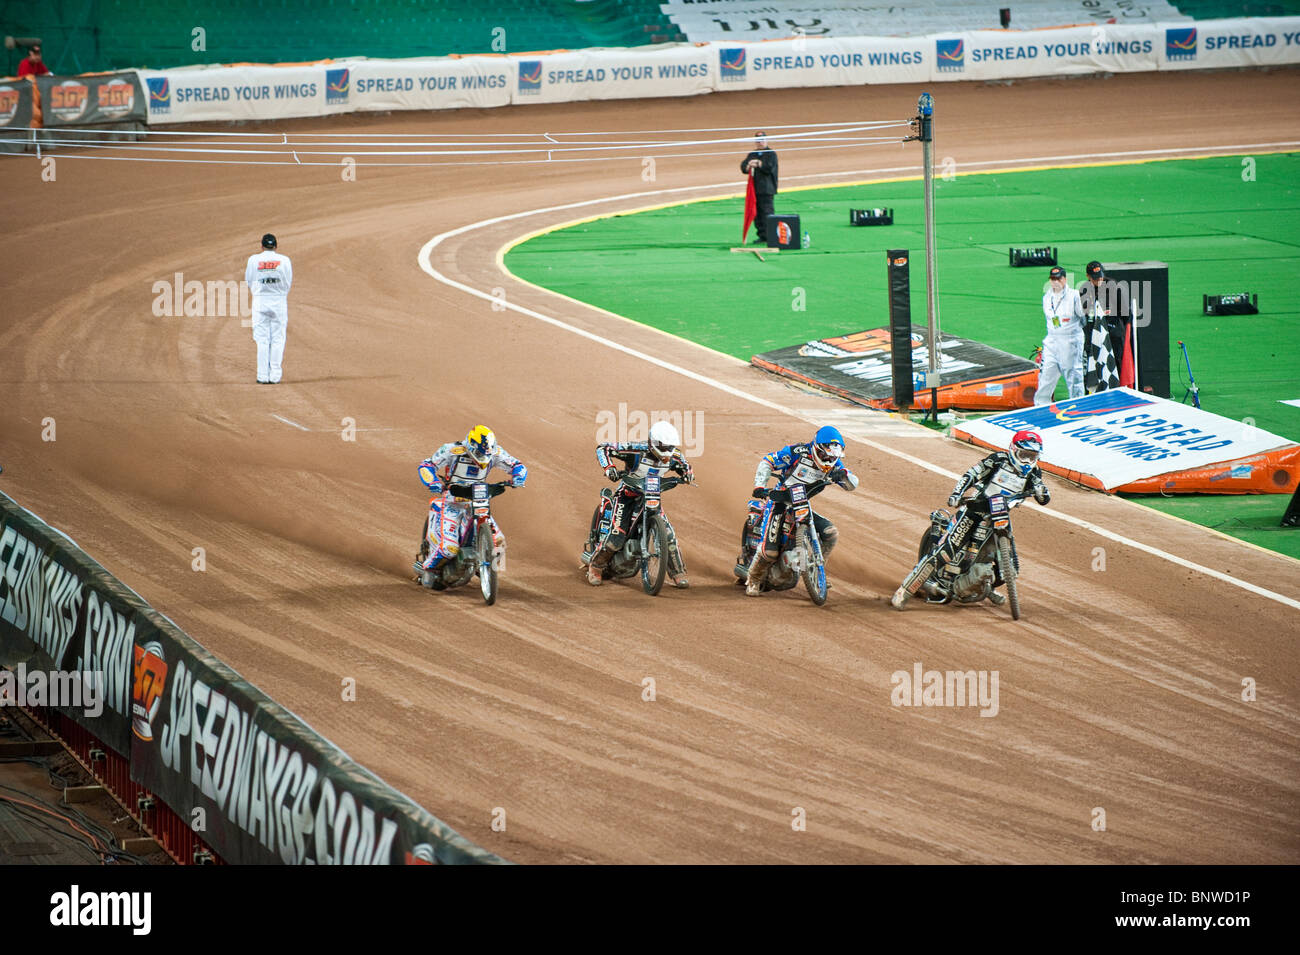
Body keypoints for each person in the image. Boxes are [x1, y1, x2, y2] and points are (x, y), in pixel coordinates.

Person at [890, 430, 1049, 609]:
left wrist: (1042, 491)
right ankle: (904, 591)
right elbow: (971, 474)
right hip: (974, 510)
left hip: (1000, 514)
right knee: (944, 553)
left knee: (1011, 569)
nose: (1027, 461)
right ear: (1013, 450)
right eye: (1024, 455)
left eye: (1032, 456)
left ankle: (982, 585)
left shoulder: (1034, 472)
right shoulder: (997, 460)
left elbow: (1043, 496)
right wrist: (957, 493)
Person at [740, 426, 858, 596]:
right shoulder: (796, 452)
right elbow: (768, 461)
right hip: (780, 502)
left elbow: (852, 485)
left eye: (833, 456)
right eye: (826, 455)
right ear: (817, 448)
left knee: (831, 533)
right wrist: (760, 485)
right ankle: (753, 579)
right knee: (770, 551)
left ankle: (817, 571)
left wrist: (844, 475)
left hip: (802, 504)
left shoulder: (834, 464)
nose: (829, 459)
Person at [584, 420, 693, 588]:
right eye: (664, 447)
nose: (667, 451)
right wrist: (609, 468)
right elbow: (603, 448)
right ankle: (596, 566)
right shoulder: (635, 450)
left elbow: (685, 466)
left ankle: (678, 573)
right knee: (617, 535)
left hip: (651, 497)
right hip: (627, 495)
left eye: (670, 447)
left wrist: (687, 474)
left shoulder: (674, 455)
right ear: (653, 443)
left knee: (668, 535)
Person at [415, 426, 527, 581]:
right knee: (448, 549)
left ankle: (490, 573)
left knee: (499, 542)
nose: (485, 456)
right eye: (481, 452)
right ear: (471, 445)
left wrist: (518, 477)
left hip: (478, 502)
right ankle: (426, 570)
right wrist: (432, 482)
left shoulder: (495, 452)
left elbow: (517, 465)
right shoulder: (451, 450)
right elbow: (427, 465)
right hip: (452, 503)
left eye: (488, 451)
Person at [244, 234, 292, 384]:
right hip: (279, 301)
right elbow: (288, 282)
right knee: (278, 339)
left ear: (262, 246)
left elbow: (249, 279)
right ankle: (275, 375)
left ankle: (262, 376)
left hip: (260, 302)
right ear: (276, 246)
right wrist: (279, 293)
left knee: (262, 340)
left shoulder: (253, 260)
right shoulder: (284, 260)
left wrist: (259, 292)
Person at [1034, 265, 1085, 406]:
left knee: (1073, 374)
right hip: (1052, 340)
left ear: (1064, 279)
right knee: (1046, 375)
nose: (1055, 282)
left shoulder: (1074, 295)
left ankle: (1078, 404)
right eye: (1052, 279)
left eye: (1058, 279)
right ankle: (1040, 405)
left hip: (1070, 340)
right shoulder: (1047, 297)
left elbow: (1083, 318)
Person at [1081, 260, 1129, 371]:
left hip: (1113, 333)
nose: (1099, 280)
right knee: (1094, 365)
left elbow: (1125, 312)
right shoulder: (1084, 290)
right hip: (1093, 334)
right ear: (1088, 276)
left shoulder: (1113, 286)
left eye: (1100, 277)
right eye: (1095, 278)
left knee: (1117, 364)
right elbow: (1083, 313)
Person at [740, 131, 779, 244]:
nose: (760, 142)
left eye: (762, 140)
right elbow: (743, 167)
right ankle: (762, 235)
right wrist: (748, 165)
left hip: (767, 189)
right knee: (757, 214)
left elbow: (769, 167)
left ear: (766, 140)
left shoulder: (771, 154)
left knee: (767, 213)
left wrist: (758, 163)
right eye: (757, 140)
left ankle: (770, 236)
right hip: (755, 190)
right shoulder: (753, 154)